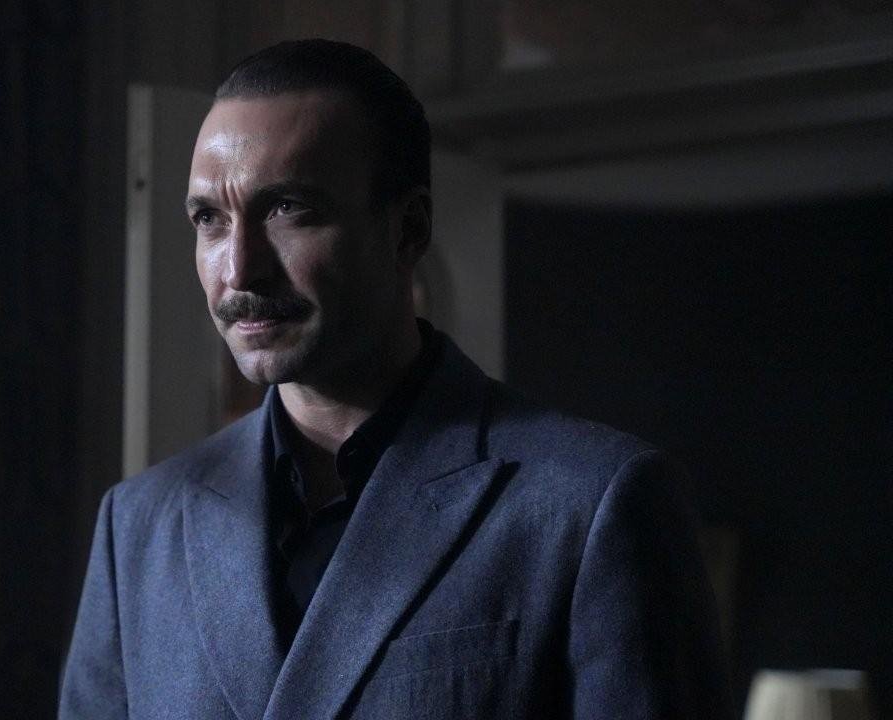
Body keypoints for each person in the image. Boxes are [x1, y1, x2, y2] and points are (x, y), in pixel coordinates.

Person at [59, 39, 732, 719]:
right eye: (210, 219)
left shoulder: (593, 503)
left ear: (409, 229)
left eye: (288, 208)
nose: (239, 270)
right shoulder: (137, 527)